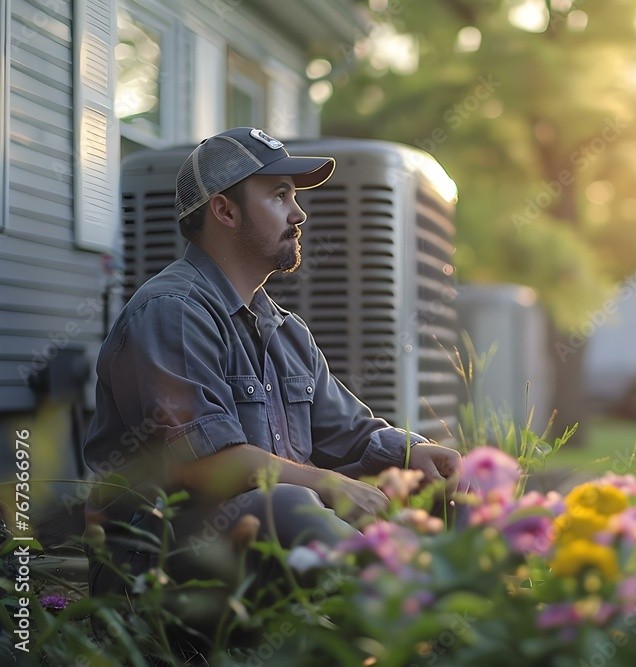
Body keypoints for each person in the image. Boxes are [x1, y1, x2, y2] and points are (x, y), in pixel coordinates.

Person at [83, 127, 460, 597]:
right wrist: (329, 485)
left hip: (253, 557)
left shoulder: (286, 331)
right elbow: (200, 464)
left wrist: (413, 453)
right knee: (287, 503)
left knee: (443, 491)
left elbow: (350, 434)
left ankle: (477, 619)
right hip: (160, 569)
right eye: (280, 196)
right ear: (225, 210)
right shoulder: (170, 311)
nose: (299, 214)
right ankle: (414, 617)